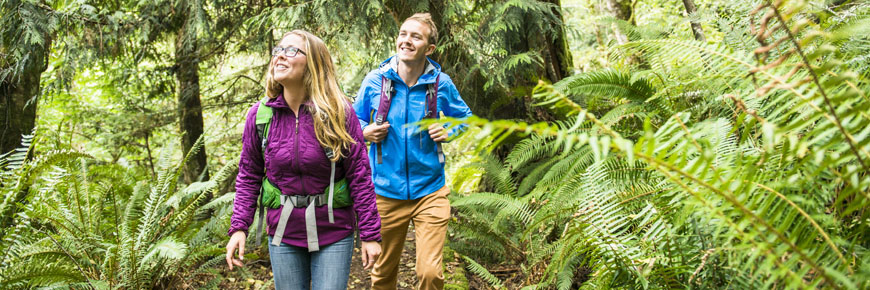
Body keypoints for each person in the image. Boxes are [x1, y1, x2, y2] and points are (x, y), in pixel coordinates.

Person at [226, 30, 382, 290]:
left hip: (333, 231)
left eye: (291, 51)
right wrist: (239, 227)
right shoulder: (261, 116)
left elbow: (359, 174)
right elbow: (248, 175)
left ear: (313, 63)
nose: (280, 56)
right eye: (278, 50)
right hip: (284, 232)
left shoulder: (338, 113)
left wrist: (370, 235)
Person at [353, 13, 473, 290]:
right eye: (403, 34)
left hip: (430, 190)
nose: (406, 40)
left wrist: (449, 130)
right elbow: (352, 122)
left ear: (429, 49)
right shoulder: (375, 81)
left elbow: (464, 117)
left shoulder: (440, 83)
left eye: (415, 36)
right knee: (382, 274)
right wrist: (364, 132)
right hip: (384, 191)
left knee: (430, 273)